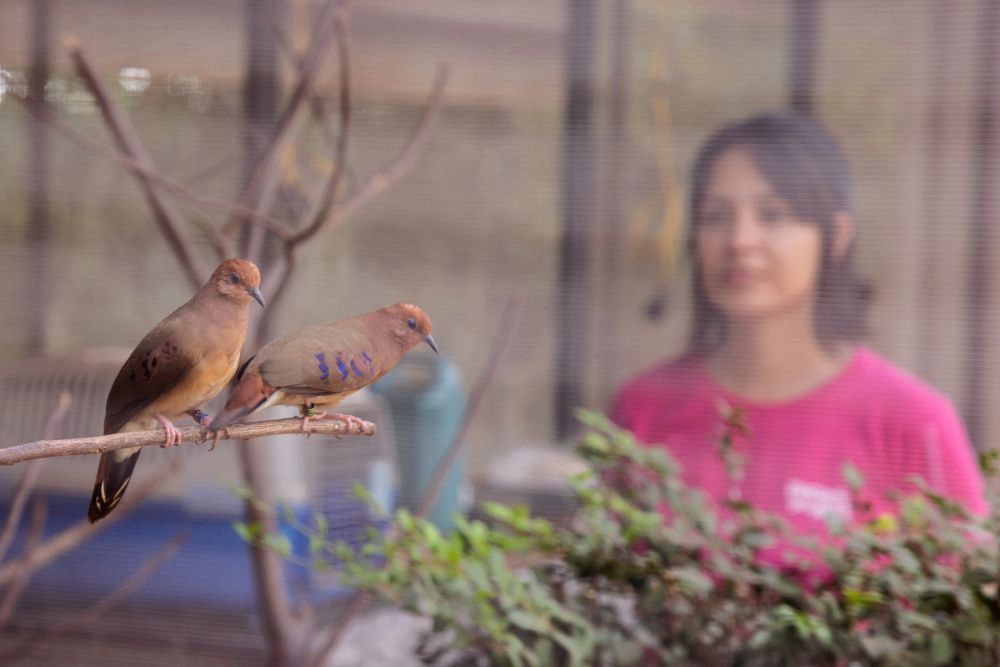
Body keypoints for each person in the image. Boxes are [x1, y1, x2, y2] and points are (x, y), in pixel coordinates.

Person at [609, 112, 988, 547]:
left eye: (772, 215)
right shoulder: (644, 408)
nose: (740, 240)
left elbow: (967, 605)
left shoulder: (912, 423)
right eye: (716, 216)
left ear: (837, 234)